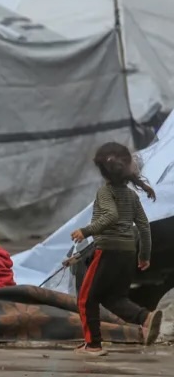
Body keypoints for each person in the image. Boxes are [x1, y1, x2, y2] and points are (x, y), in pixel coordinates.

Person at [70, 141, 162, 356]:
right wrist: (144, 255)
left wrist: (86, 231)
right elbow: (144, 226)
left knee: (86, 299)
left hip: (107, 251)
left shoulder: (105, 192)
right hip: (128, 253)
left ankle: (93, 345)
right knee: (114, 298)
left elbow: (111, 216)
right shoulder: (131, 195)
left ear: (102, 170)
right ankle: (145, 317)